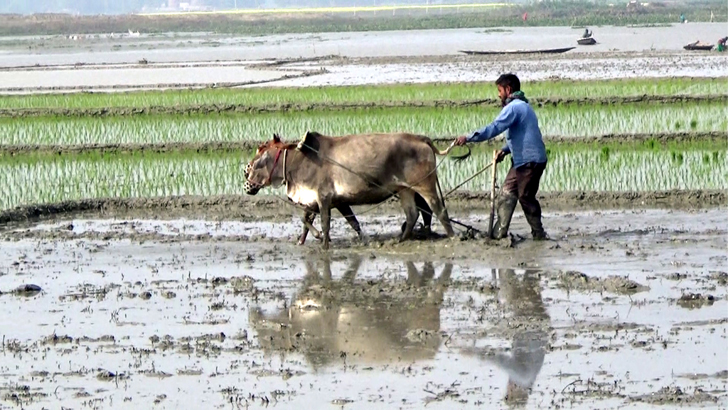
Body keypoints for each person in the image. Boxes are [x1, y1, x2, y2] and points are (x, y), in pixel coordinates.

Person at [454, 73, 548, 240]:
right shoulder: (524, 106)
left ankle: (539, 234)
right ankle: (499, 233)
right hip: (522, 160)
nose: (498, 94)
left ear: (508, 89)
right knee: (506, 194)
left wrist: (468, 137)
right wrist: (505, 150)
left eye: (499, 90)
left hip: (530, 162)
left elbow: (494, 128)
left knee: (525, 197)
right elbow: (522, 136)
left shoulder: (514, 107)